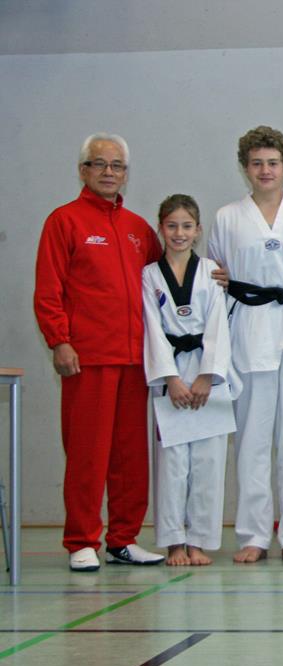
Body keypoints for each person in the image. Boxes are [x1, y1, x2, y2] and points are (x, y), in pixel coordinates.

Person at [34, 132, 165, 571]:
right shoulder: (64, 221)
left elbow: (167, 277)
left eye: (117, 165)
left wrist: (211, 275)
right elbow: (48, 289)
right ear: (83, 170)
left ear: (126, 173)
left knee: (131, 458)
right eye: (100, 164)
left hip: (134, 360)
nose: (109, 172)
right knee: (87, 454)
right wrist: (59, 340)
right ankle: (81, 540)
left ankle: (123, 539)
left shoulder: (138, 229)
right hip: (86, 359)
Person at [208, 126, 283, 563]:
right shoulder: (228, 217)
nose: (265, 170)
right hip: (251, 332)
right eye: (257, 163)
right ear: (245, 168)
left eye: (273, 163)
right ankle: (254, 535)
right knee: (252, 442)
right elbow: (218, 279)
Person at [143, 194, 240, 566]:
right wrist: (170, 378)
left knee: (208, 461)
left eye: (186, 226)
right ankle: (174, 542)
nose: (179, 233)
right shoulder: (149, 276)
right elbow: (151, 329)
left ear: (198, 230)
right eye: (172, 226)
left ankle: (199, 541)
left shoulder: (211, 272)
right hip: (170, 377)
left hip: (206, 375)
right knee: (172, 462)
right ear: (161, 228)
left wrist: (206, 375)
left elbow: (219, 325)